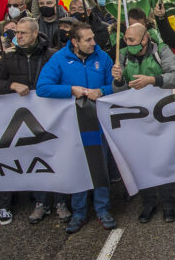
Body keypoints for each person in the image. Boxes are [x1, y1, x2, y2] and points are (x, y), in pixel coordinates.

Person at [37, 21, 117, 233]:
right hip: (72, 125)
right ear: (75, 42)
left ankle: (103, 209)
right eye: (88, 39)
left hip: (99, 123)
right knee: (78, 166)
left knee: (100, 165)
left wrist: (102, 91)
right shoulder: (59, 59)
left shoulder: (103, 57)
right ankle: (79, 212)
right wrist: (71, 90)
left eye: (93, 38)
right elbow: (42, 88)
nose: (93, 43)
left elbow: (116, 86)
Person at [0, 17, 61, 224]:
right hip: (23, 120)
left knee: (55, 156)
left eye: (22, 33)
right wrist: (12, 85)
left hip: (52, 116)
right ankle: (40, 202)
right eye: (16, 33)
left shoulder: (51, 56)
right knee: (36, 159)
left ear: (35, 34)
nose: (17, 36)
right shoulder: (9, 59)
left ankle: (61, 200)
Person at [113, 23, 175, 222]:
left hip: (161, 116)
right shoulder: (123, 55)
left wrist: (152, 80)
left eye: (132, 40)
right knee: (141, 160)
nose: (127, 43)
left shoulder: (161, 51)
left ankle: (168, 202)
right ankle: (149, 202)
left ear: (145, 39)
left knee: (162, 159)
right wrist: (118, 81)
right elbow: (117, 92)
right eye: (126, 39)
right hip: (136, 119)